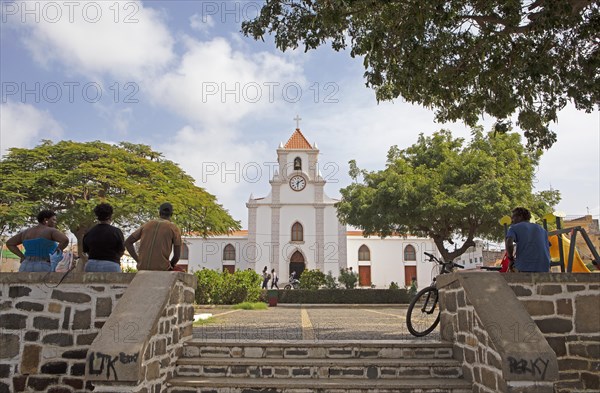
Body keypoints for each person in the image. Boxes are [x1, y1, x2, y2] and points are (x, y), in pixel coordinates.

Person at [124, 203, 182, 271]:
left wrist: (138, 260)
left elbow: (128, 242)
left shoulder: (147, 225)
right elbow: (177, 256)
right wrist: (170, 266)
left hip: (142, 267)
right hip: (161, 268)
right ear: (171, 214)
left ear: (159, 212)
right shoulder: (174, 228)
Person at [505, 207, 551, 272]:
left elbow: (509, 244)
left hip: (524, 267)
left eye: (513, 217)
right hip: (544, 267)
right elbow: (546, 247)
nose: (512, 220)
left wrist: (511, 259)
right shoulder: (542, 229)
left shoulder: (513, 228)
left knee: (510, 272)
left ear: (520, 216)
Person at [83, 203, 125, 272]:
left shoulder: (89, 232)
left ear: (97, 216)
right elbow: (121, 250)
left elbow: (86, 251)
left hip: (91, 265)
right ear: (110, 216)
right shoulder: (116, 232)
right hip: (112, 265)